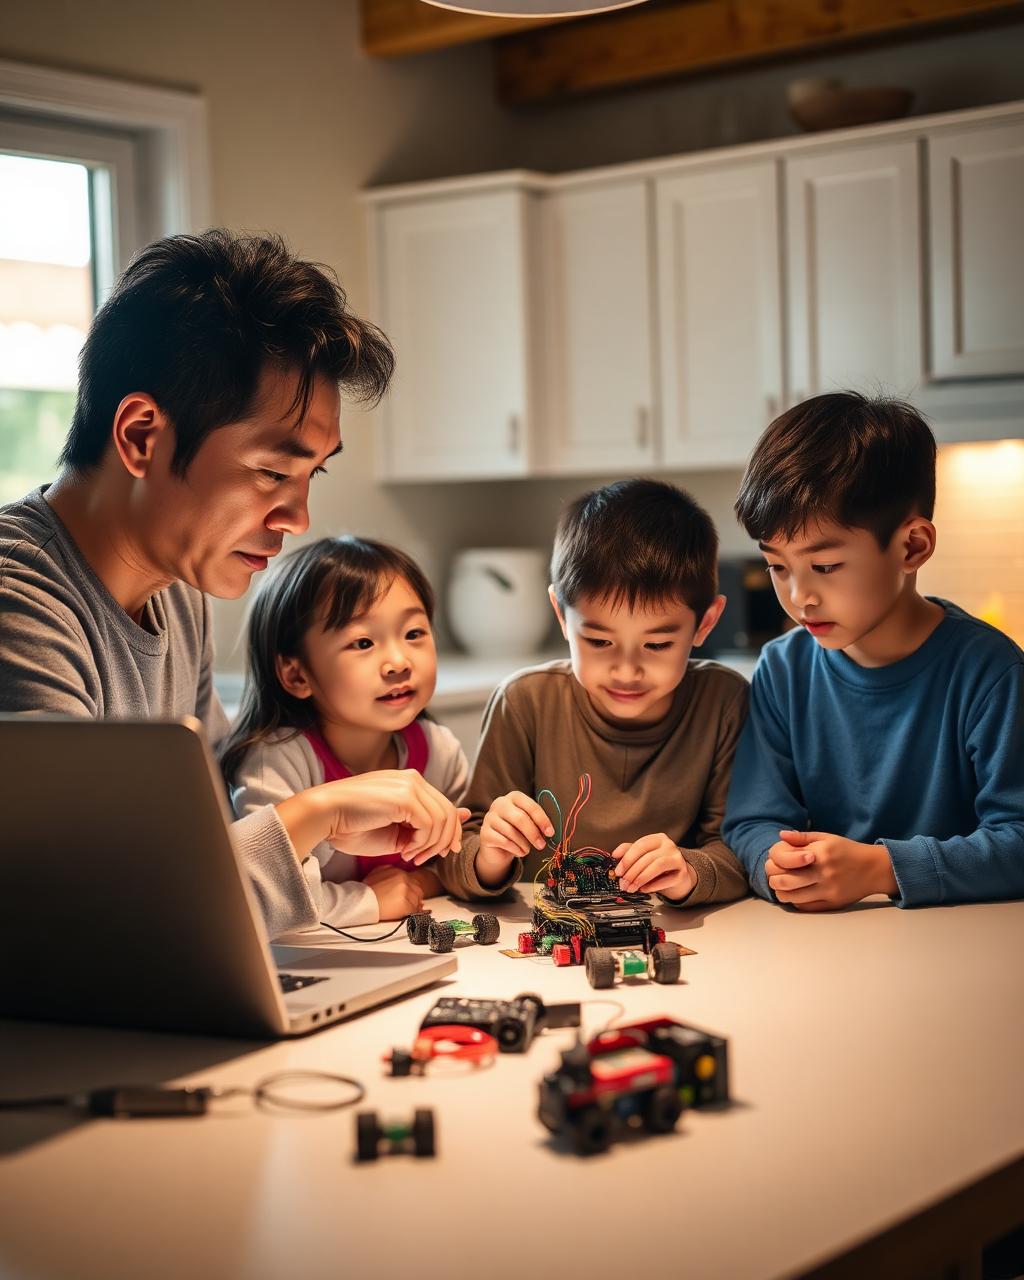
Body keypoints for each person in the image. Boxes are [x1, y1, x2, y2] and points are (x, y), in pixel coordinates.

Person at [0, 229, 469, 938]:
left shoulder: (178, 588)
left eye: (313, 475)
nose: (298, 516)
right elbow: (92, 916)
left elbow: (203, 849)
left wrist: (317, 835)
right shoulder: (21, 605)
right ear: (140, 437)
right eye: (274, 472)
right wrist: (321, 811)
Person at [722, 392, 1024, 910]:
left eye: (826, 566)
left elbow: (1018, 838)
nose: (799, 597)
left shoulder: (989, 672)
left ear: (913, 547)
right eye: (777, 567)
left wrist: (881, 869)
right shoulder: (783, 669)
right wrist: (781, 864)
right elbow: (752, 820)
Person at [460, 478, 750, 905]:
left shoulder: (723, 702)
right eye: (598, 642)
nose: (626, 670)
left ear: (705, 623)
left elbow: (738, 847)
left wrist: (690, 870)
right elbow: (464, 846)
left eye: (657, 645)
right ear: (561, 613)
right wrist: (490, 854)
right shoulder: (524, 702)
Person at [222, 535, 519, 926]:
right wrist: (368, 901)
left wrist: (482, 857)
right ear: (296, 674)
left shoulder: (436, 748)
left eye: (414, 634)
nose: (398, 662)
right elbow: (265, 900)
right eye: (363, 642)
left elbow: (451, 862)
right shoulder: (276, 762)